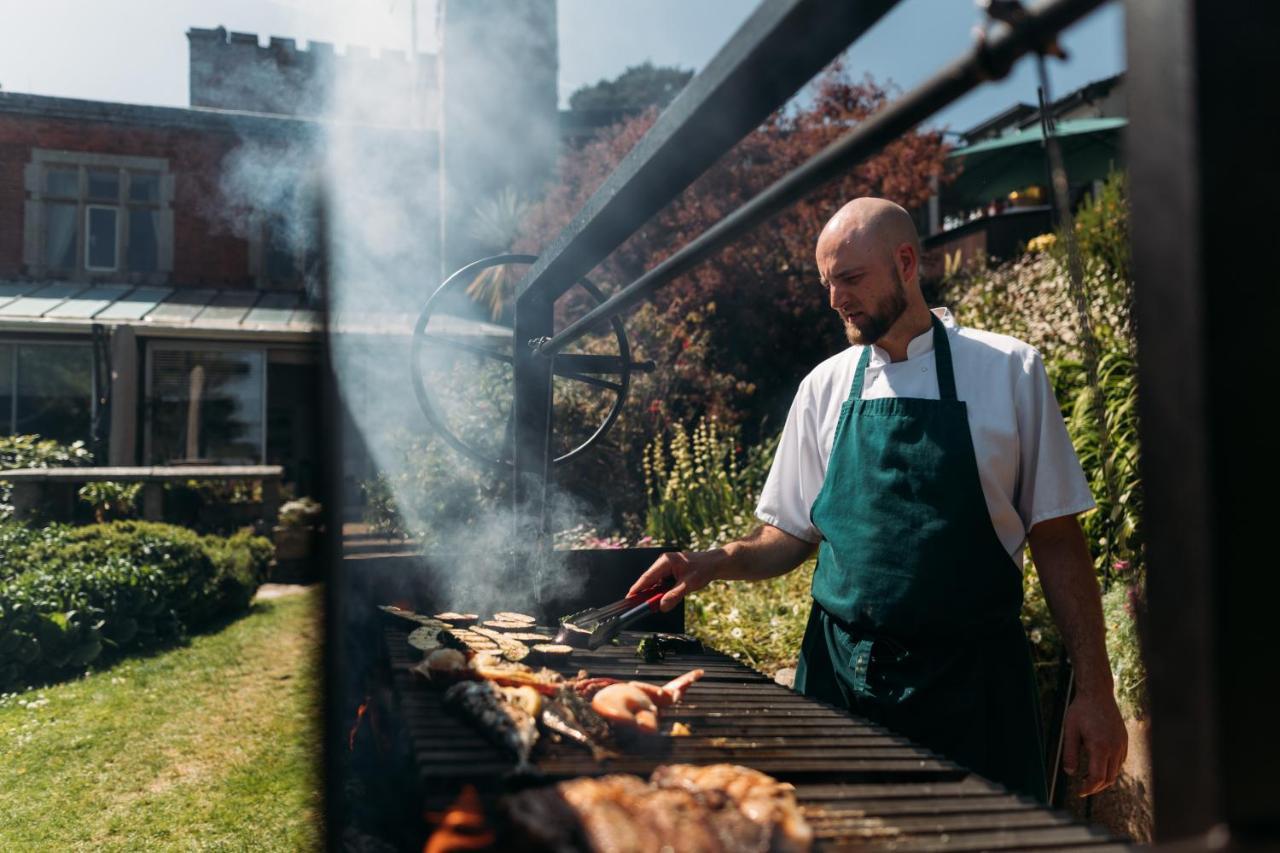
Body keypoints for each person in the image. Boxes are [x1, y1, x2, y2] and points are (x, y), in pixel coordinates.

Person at [629, 197, 1127, 802]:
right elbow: (790, 533)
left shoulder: (1009, 371)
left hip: (973, 690)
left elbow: (1056, 538)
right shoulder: (824, 386)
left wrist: (1096, 692)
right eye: (826, 283)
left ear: (907, 262)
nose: (836, 298)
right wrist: (714, 561)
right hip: (838, 684)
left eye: (851, 278)